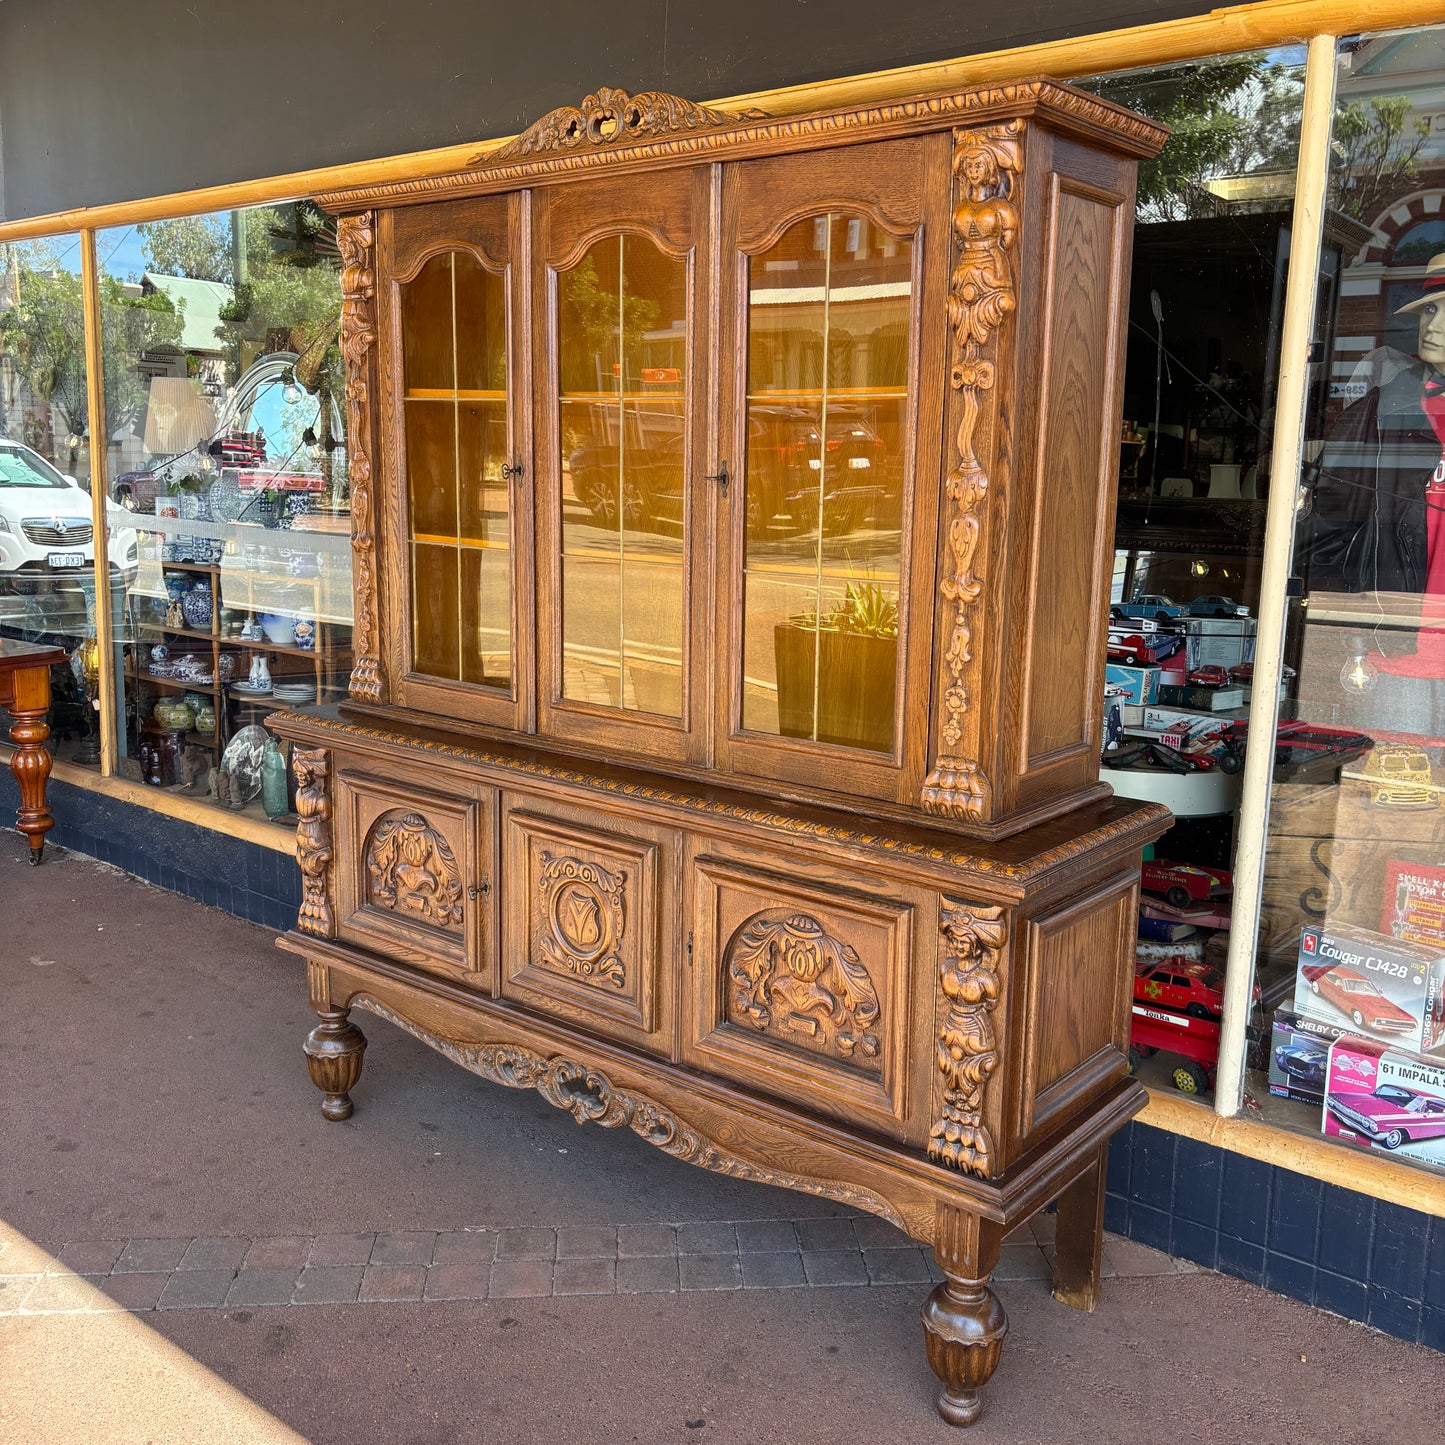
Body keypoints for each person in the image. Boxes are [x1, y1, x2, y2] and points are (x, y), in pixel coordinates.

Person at [1305, 250, 1445, 677]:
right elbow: (1327, 526)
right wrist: (1346, 627)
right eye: (1432, 309)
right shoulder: (1379, 411)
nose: (1434, 326)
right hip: (1395, 648)